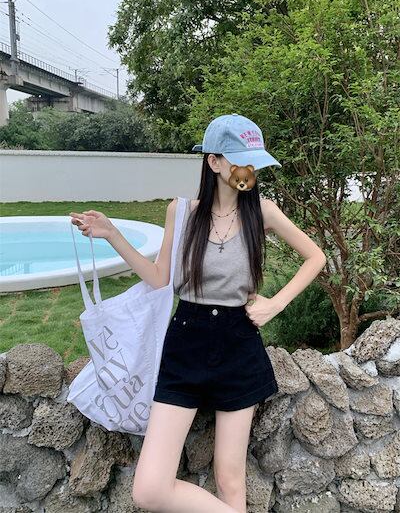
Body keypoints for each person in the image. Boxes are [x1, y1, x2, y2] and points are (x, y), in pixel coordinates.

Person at [70, 113, 326, 513]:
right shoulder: (182, 212)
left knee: (230, 480)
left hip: (238, 344)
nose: (250, 170)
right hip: (185, 344)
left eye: (254, 162)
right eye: (241, 160)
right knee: (150, 489)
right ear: (214, 161)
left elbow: (315, 256)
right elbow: (161, 279)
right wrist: (113, 234)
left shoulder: (263, 212)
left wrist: (275, 304)